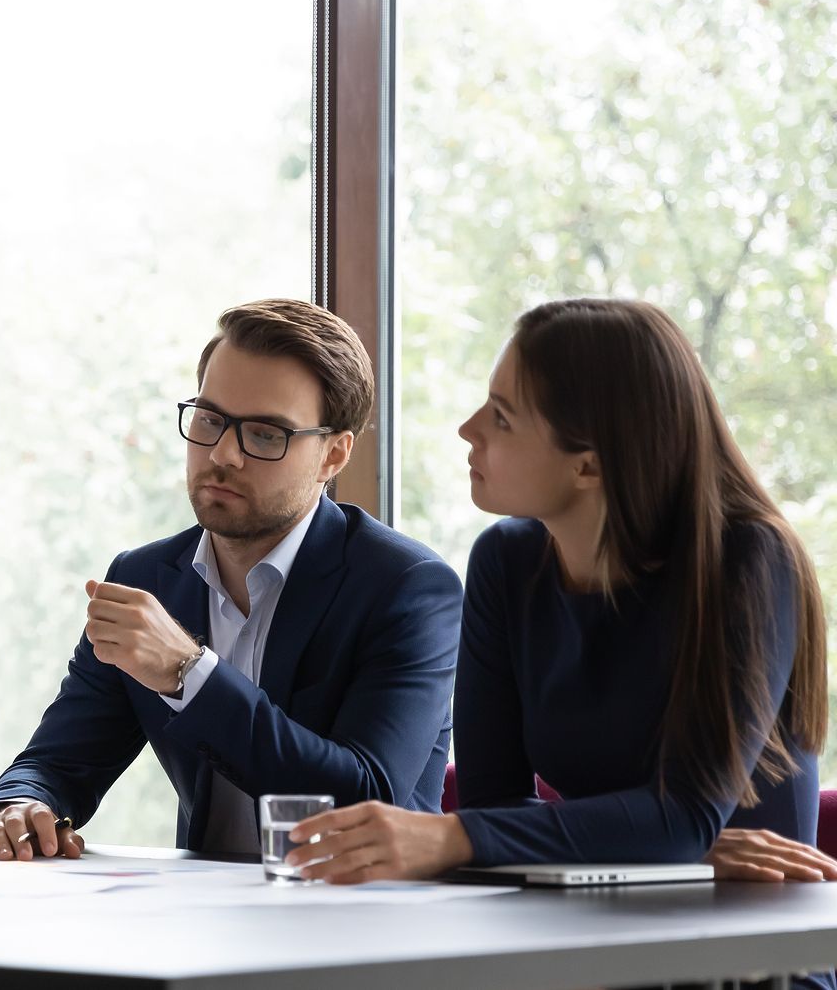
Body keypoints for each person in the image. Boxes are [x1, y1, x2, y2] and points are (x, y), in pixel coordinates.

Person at [282, 299, 830, 896]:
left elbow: (683, 817)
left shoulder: (749, 562)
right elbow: (496, 803)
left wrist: (450, 838)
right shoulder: (506, 561)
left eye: (503, 416)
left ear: (589, 467)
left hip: (755, 952)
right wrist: (662, 848)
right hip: (589, 926)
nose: (469, 428)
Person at [0, 299, 463, 860]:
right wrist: (21, 807)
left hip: (359, 920)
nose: (223, 454)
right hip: (204, 922)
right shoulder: (146, 578)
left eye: (266, 433)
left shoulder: (408, 587)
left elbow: (366, 798)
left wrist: (188, 672)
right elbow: (60, 761)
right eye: (209, 420)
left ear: (333, 455)